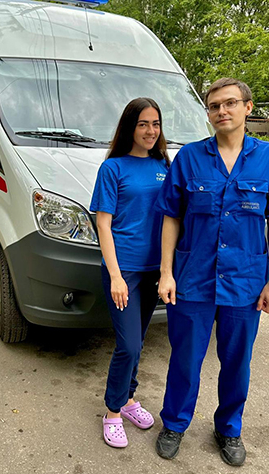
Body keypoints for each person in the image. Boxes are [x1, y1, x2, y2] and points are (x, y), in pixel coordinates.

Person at [154, 78, 269, 465]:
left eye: (230, 103)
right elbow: (171, 216)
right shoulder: (189, 158)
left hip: (246, 282)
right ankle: (175, 423)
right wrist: (166, 272)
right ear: (208, 113)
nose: (222, 111)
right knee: (185, 358)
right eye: (214, 106)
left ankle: (229, 428)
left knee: (237, 362)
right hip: (193, 279)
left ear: (248, 107)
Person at [90, 98, 170, 448]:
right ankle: (112, 411)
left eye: (155, 123)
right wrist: (116, 276)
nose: (151, 131)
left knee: (138, 342)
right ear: (129, 127)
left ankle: (129, 398)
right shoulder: (113, 168)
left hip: (154, 270)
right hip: (124, 271)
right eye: (143, 124)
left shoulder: (163, 165)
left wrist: (168, 268)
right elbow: (103, 225)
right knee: (128, 344)